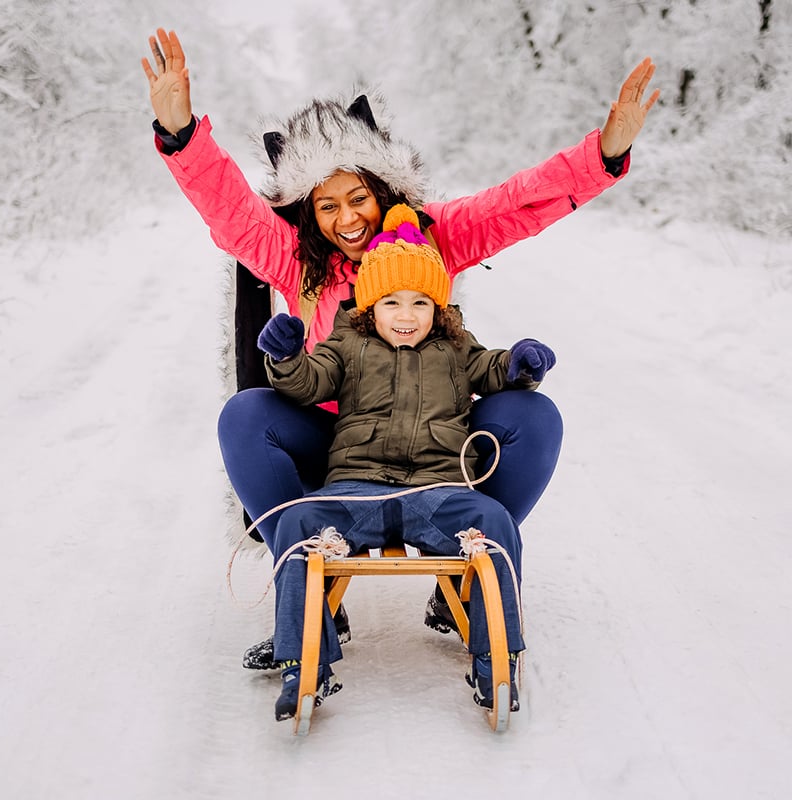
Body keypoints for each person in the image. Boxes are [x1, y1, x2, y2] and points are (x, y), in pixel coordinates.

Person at [141, 28, 659, 666]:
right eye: (326, 205)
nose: (346, 218)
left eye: (357, 196)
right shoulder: (293, 259)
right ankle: (305, 603)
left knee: (533, 416)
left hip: (430, 432)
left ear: (383, 190)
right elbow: (229, 210)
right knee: (244, 417)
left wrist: (604, 152)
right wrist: (181, 132)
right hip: (332, 432)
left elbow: (518, 203)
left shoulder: (434, 238)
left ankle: (467, 578)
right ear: (307, 212)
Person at [261, 205, 554, 720]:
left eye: (420, 302)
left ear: (438, 307)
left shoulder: (455, 346)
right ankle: (303, 663)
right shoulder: (347, 345)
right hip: (356, 489)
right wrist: (285, 359)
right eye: (391, 301)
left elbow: (492, 369)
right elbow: (309, 382)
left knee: (496, 524)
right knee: (296, 523)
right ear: (370, 306)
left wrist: (519, 364)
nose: (406, 314)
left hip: (439, 492)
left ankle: (496, 656)